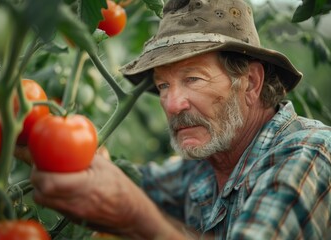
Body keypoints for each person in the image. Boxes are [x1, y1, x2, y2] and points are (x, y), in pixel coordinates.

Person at [31, 0, 331, 239]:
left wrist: (138, 220)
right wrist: (28, 136)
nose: (172, 104)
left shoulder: (309, 154)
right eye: (163, 85)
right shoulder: (203, 171)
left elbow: (130, 203)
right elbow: (129, 183)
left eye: (194, 78)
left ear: (251, 82)